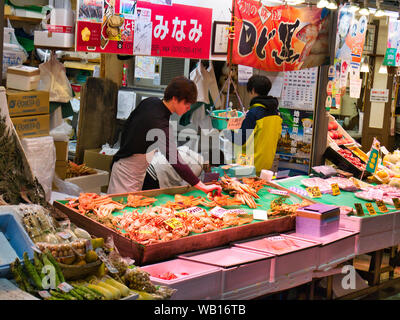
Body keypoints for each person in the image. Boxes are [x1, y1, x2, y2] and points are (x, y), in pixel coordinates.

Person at [107, 76, 222, 196]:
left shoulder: (150, 102)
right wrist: (202, 186)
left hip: (133, 169)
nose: (188, 108)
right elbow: (175, 160)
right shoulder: (159, 122)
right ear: (175, 99)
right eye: (186, 104)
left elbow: (128, 126)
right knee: (118, 209)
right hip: (126, 173)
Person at [229, 75, 282, 175]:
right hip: (266, 165)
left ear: (252, 90)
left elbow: (240, 140)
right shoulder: (277, 114)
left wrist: (226, 129)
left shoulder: (254, 113)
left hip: (248, 166)